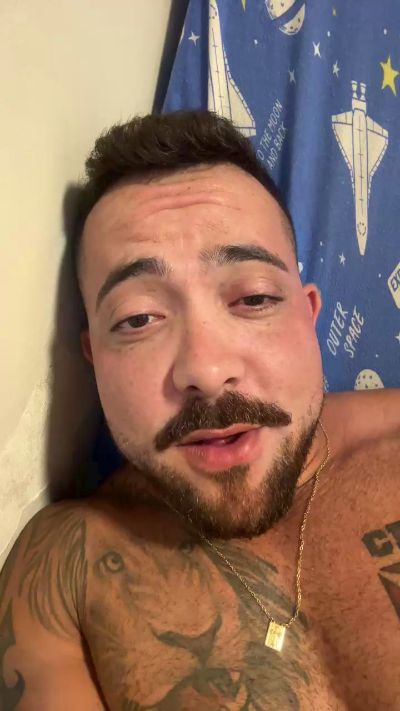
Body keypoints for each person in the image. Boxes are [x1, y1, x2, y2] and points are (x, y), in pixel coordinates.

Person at [0, 111, 399, 711]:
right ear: (93, 358)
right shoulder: (62, 573)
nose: (206, 371)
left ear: (310, 316)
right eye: (138, 319)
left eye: (254, 298)